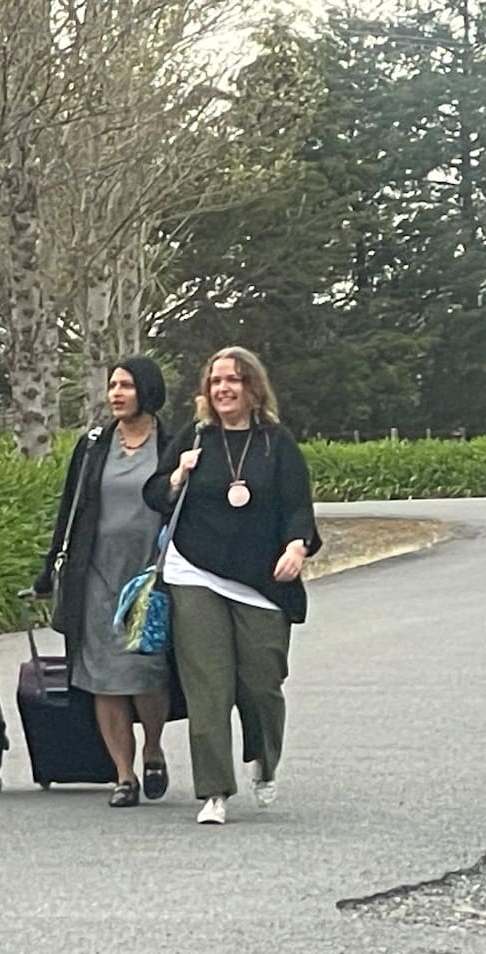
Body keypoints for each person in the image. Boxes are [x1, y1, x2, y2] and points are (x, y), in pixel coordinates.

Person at [143, 345, 321, 826]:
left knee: (262, 684)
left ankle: (264, 758)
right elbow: (155, 494)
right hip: (194, 569)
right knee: (208, 687)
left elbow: (298, 507)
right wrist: (179, 473)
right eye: (216, 380)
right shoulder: (195, 435)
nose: (223, 388)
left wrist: (296, 547)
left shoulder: (274, 442)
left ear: (252, 388)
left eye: (234, 380)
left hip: (260, 579)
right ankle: (215, 790)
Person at [33, 356, 175, 807]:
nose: (116, 394)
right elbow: (70, 508)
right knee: (102, 676)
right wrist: (49, 564)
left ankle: (152, 747)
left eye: (126, 386)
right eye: (112, 385)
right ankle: (123, 774)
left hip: (151, 573)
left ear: (147, 391)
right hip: (95, 573)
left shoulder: (173, 442)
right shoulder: (94, 444)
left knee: (146, 672)